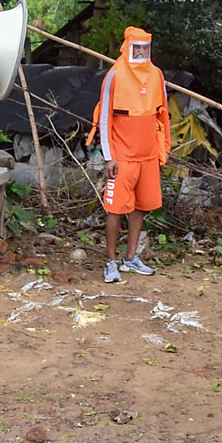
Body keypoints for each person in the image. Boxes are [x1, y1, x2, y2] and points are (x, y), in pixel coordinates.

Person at [87, 26, 171, 283]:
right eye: (138, 48)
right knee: (115, 209)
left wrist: (163, 148)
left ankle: (131, 257)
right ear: (127, 47)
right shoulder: (114, 75)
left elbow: (163, 114)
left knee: (141, 207)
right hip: (122, 157)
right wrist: (109, 156)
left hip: (147, 156)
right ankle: (111, 262)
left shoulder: (156, 75)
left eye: (146, 48)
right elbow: (104, 117)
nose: (142, 52)